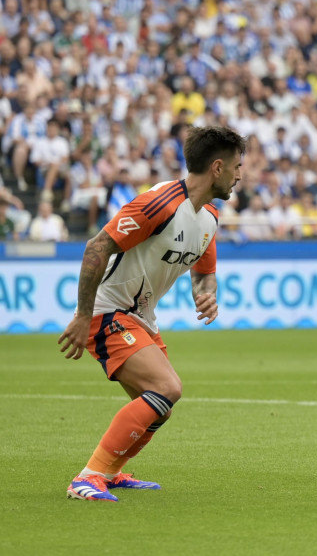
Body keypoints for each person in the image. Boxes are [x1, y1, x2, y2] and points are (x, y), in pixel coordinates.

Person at [58, 126, 246, 502]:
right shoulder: (158, 204)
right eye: (238, 167)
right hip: (108, 310)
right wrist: (82, 314)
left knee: (159, 408)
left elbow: (205, 276)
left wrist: (206, 295)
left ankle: (109, 474)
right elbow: (97, 247)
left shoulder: (209, 217)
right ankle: (88, 476)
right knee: (166, 389)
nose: (240, 175)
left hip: (140, 316)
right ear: (218, 168)